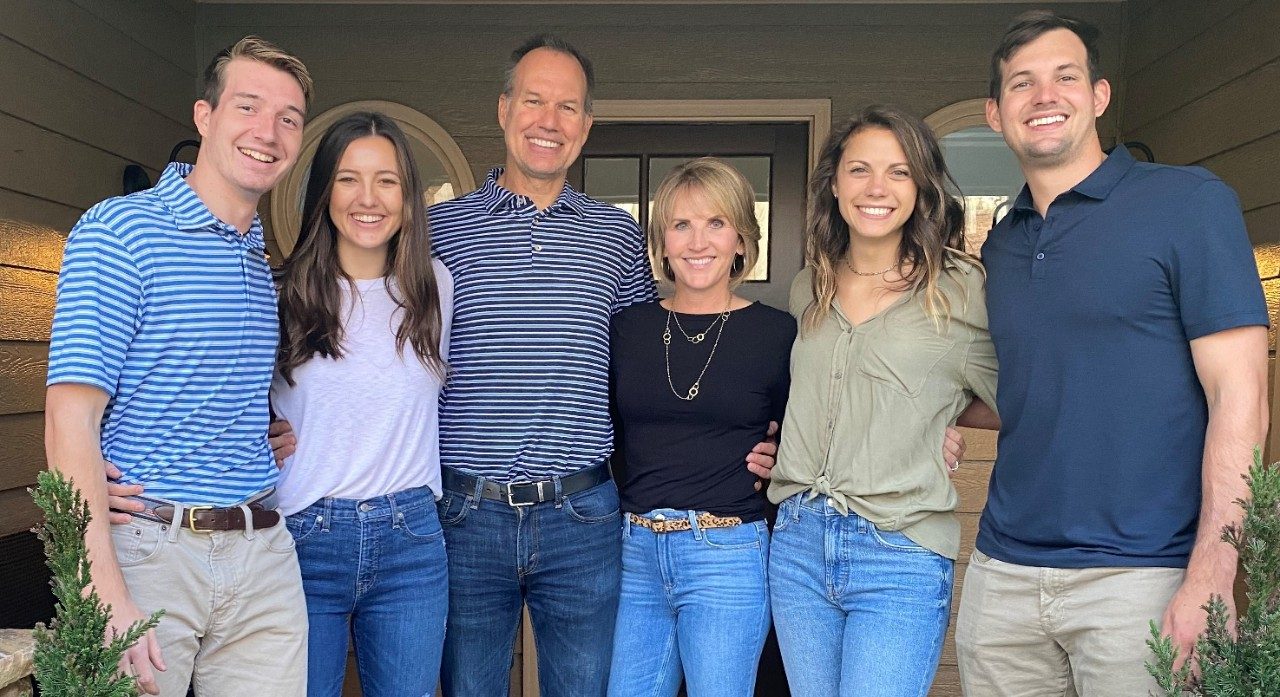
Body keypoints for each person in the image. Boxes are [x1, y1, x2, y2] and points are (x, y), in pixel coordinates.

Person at [264, 35, 780, 696]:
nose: (549, 120)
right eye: (534, 100)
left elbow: (660, 355)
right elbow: (356, 326)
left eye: (567, 107)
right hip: (464, 512)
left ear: (586, 126)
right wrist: (269, 417)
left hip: (583, 514)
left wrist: (756, 435)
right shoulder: (439, 231)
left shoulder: (616, 236)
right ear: (504, 109)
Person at [954, 11, 1269, 696]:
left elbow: (1240, 396)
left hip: (1142, 578)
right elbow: (1030, 388)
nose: (1043, 97)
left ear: (1098, 96)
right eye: (1022, 84)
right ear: (994, 112)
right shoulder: (1001, 246)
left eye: (1064, 77)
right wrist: (936, 415)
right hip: (1003, 576)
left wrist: (1212, 575)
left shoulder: (1189, 204)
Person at [43, 36, 313, 696]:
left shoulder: (257, 253)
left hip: (264, 550)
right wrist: (101, 587)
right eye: (248, 107)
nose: (267, 132)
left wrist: (263, 425)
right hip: (150, 549)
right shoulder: (119, 231)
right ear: (204, 116)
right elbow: (69, 417)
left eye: (288, 118)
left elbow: (196, 374)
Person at [767, 105, 998, 697]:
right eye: (859, 169)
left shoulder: (960, 290)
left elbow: (1016, 399)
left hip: (897, 548)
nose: (876, 188)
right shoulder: (806, 286)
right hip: (797, 541)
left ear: (921, 188)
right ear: (835, 185)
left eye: (898, 172)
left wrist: (936, 414)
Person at [270, 112, 452, 697]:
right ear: (324, 191)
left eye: (387, 180)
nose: (367, 199)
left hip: (412, 541)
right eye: (348, 179)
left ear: (407, 196)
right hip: (302, 536)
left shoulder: (435, 286)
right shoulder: (282, 293)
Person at [606, 158, 795, 697]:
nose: (697, 241)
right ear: (661, 244)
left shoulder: (776, 333)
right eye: (680, 225)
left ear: (741, 239)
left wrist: (785, 455)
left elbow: (813, 427)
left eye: (716, 223)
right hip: (635, 553)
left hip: (728, 554)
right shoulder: (629, 329)